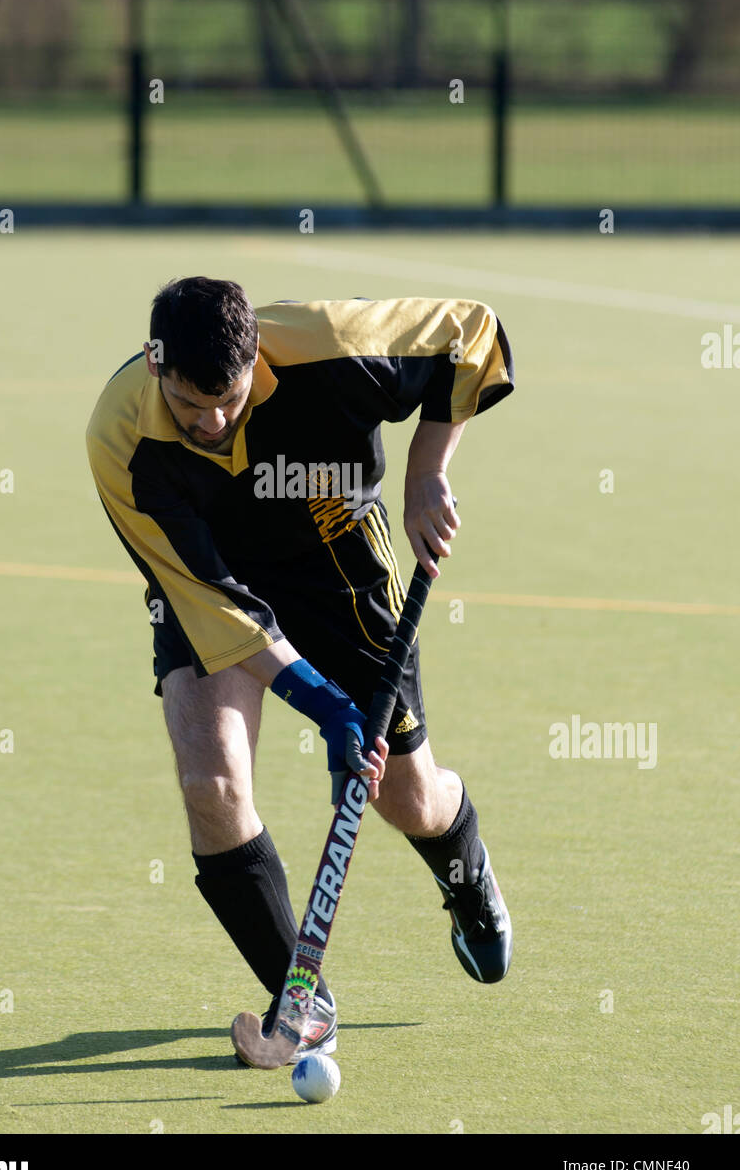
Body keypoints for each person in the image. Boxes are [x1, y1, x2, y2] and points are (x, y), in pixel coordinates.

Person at [86, 276, 515, 1061]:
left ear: (258, 355)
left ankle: (462, 867)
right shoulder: (121, 439)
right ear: (156, 365)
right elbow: (217, 610)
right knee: (210, 786)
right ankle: (301, 999)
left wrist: (425, 469)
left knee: (403, 796)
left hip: (334, 557)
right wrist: (327, 707)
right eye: (190, 406)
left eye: (232, 399)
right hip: (209, 576)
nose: (212, 423)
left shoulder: (330, 347)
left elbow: (472, 334)